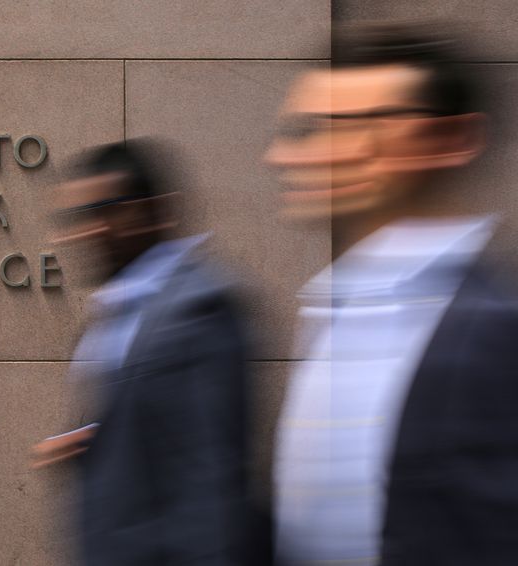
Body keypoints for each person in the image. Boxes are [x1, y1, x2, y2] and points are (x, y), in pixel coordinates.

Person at [266, 22, 518, 566]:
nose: (284, 157)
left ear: (446, 140)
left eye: (326, 127)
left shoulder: (496, 332)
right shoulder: (335, 309)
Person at [33, 141, 254, 565]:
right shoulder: (123, 307)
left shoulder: (198, 310)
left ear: (158, 210)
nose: (93, 229)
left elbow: (210, 479)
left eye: (111, 208)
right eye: (83, 215)